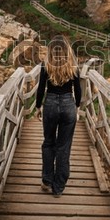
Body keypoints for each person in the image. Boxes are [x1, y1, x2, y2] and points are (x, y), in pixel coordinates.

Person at [35, 35, 81, 197]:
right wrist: (77, 108)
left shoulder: (45, 65)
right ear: (67, 50)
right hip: (68, 104)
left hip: (51, 104)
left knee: (48, 143)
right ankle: (58, 187)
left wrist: (38, 106)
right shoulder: (73, 66)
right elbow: (78, 90)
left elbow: (41, 89)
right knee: (64, 146)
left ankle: (47, 179)